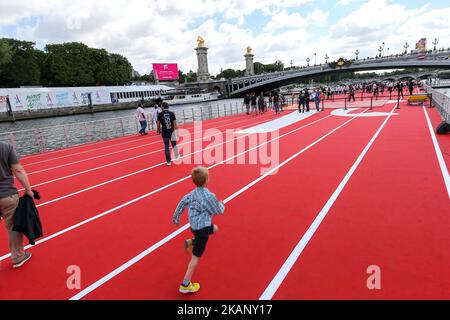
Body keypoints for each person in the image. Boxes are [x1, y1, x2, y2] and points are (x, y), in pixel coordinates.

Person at [173, 166, 225, 294]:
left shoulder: (191, 194)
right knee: (195, 258)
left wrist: (176, 217)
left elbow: (181, 203)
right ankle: (185, 284)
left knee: (215, 228)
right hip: (202, 229)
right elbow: (217, 211)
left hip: (194, 226)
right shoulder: (209, 196)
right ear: (207, 180)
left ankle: (192, 241)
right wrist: (222, 204)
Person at [0, 142, 33, 269]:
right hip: (7, 195)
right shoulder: (6, 147)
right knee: (13, 227)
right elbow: (18, 169)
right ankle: (18, 257)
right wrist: (28, 189)